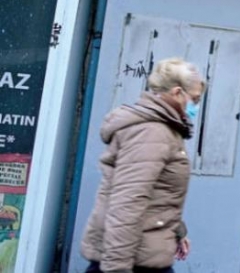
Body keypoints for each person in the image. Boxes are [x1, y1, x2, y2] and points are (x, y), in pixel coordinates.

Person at [81, 58, 205, 273]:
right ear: (177, 93)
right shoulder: (152, 132)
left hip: (145, 253)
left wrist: (177, 231)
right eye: (194, 99)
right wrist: (117, 269)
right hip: (134, 259)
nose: (196, 106)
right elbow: (128, 203)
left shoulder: (165, 130)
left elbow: (158, 193)